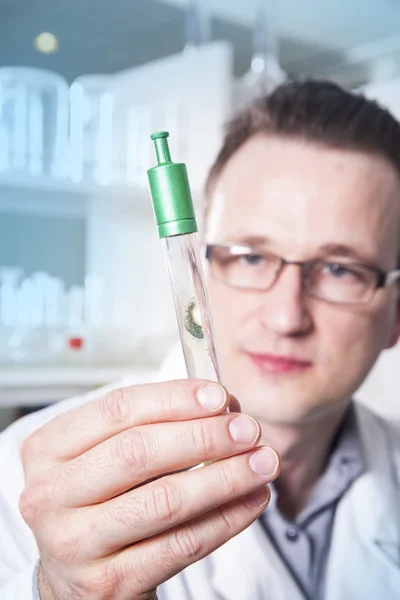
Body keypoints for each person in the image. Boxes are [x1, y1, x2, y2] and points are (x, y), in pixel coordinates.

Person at [1, 79, 400, 600]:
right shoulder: (25, 482)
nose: (286, 317)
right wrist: (60, 592)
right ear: (201, 270)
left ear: (395, 315)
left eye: (340, 270)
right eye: (252, 257)